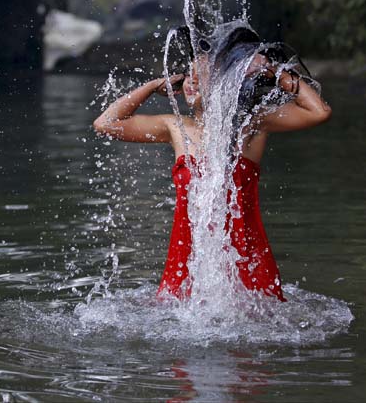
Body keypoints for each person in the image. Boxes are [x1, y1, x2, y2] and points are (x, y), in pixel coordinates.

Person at [91, 51, 332, 301]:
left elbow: (319, 112)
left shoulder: (252, 124)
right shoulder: (176, 127)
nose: (191, 82)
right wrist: (153, 86)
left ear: (226, 83)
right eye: (188, 75)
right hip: (188, 255)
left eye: (202, 76)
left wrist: (276, 73)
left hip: (245, 255)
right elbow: (105, 123)